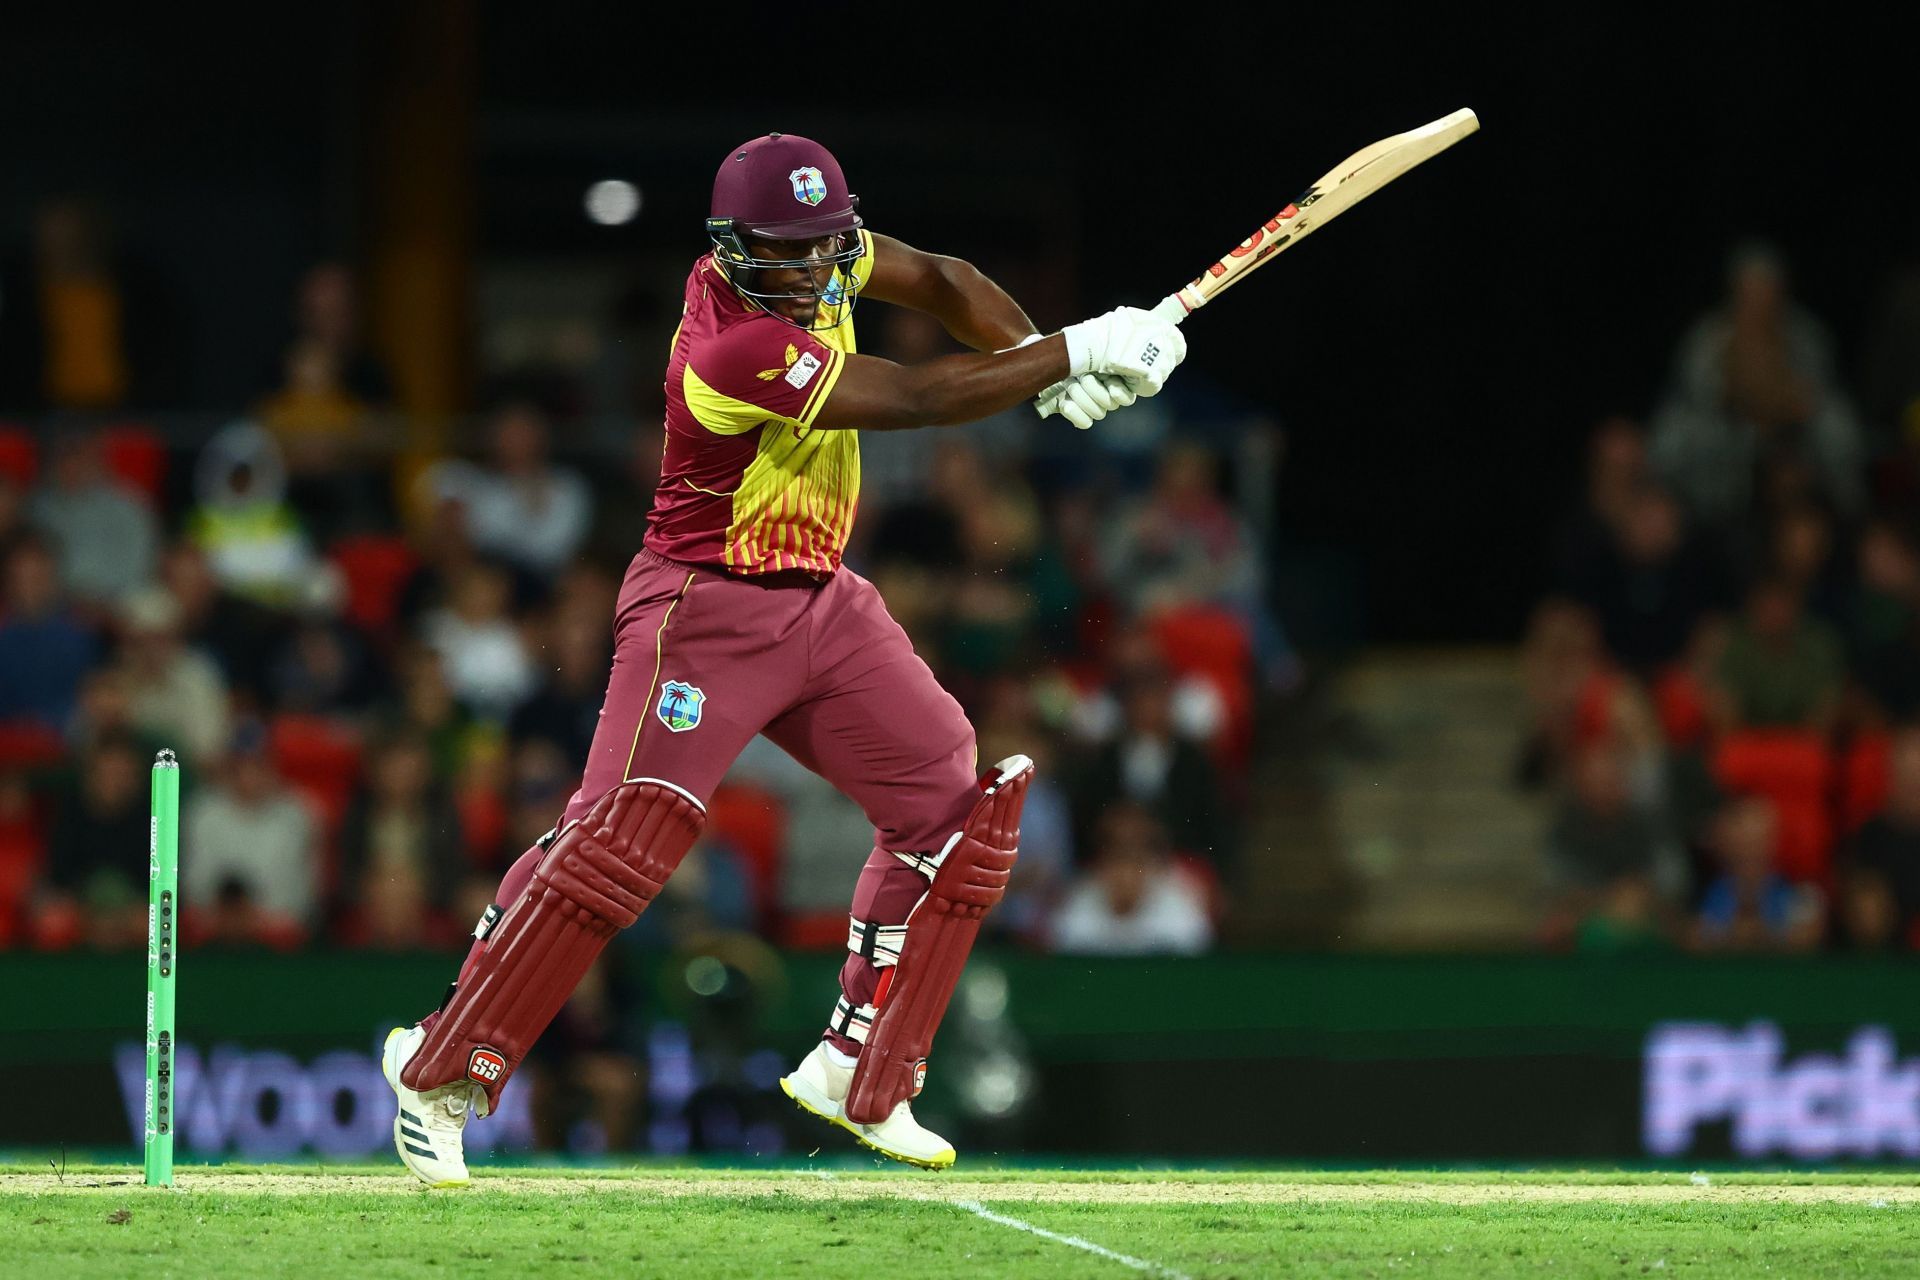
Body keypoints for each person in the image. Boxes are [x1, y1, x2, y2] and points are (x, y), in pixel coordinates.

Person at [380, 132, 1187, 1184]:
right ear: (731, 250)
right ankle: (438, 1072)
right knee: (623, 841)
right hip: (701, 605)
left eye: (823, 250)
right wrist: (1075, 352)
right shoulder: (730, 343)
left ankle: (863, 1070)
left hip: (823, 599)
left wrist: (1042, 362)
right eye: (786, 258)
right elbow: (915, 399)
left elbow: (948, 281)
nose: (812, 275)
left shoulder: (821, 250)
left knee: (954, 804)